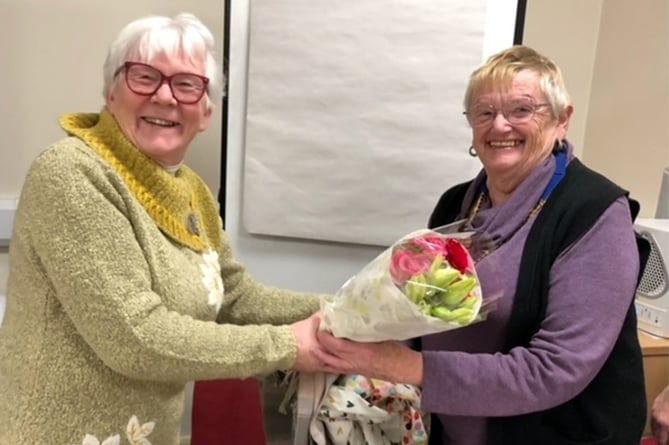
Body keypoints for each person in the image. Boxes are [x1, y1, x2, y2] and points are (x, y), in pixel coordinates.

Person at [0, 13, 338, 445]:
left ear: (207, 112)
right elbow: (135, 337)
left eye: (186, 84)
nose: (164, 96)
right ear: (110, 91)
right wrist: (287, 346)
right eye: (144, 76)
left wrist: (344, 308)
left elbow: (234, 296)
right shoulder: (72, 173)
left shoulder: (189, 188)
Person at [314, 45, 648, 445]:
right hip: (457, 429)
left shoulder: (593, 213)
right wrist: (359, 336)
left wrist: (405, 365)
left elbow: (554, 370)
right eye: (484, 112)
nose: (500, 126)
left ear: (562, 120)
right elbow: (421, 310)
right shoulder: (456, 203)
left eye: (522, 110)